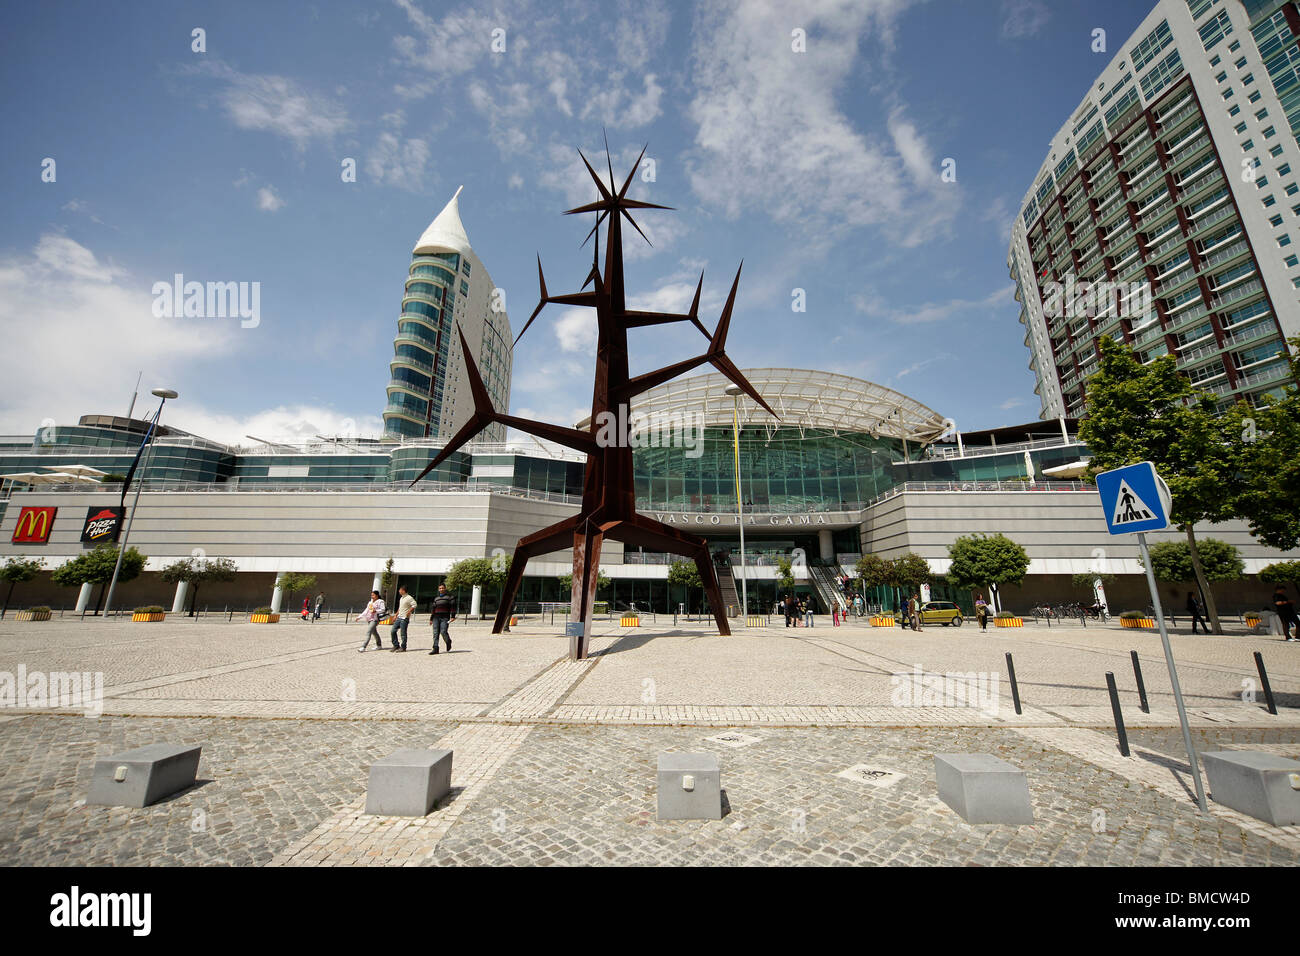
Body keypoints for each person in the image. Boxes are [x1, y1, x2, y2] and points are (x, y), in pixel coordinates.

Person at [429, 583, 456, 654]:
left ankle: (448, 641)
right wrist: (431, 619)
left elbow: (453, 607)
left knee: (443, 631)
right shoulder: (436, 598)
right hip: (436, 617)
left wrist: (453, 616)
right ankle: (435, 648)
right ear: (438, 589)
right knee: (435, 633)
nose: (441, 589)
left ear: (445, 588)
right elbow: (433, 609)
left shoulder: (450, 597)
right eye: (440, 588)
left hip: (445, 617)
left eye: (442, 588)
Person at [389, 584, 416, 652]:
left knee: (403, 633)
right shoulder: (401, 598)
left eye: (400, 590)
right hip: (399, 617)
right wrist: (395, 615)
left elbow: (414, 605)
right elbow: (400, 608)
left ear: (403, 590)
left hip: (404, 618)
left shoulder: (409, 598)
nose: (399, 591)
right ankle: (396, 645)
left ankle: (403, 647)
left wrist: (409, 612)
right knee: (393, 631)